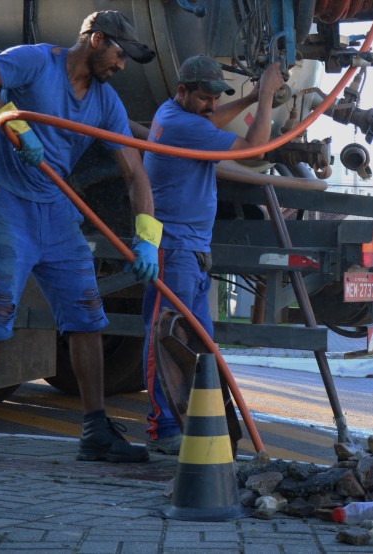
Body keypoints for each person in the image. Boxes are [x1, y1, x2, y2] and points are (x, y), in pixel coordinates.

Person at [0, 11, 162, 463]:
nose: (121, 66)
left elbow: (135, 172)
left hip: (56, 210)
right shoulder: (37, 62)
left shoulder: (105, 102)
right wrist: (10, 122)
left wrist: (146, 238)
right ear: (96, 40)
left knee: (87, 314)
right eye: (119, 54)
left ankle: (96, 430)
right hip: (5, 198)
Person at [141, 55, 284, 454]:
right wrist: (267, 96)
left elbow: (210, 121)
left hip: (194, 249)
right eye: (204, 98)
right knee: (165, 337)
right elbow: (257, 149)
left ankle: (198, 424)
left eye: (214, 98)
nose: (210, 106)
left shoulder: (178, 115)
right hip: (174, 248)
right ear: (183, 91)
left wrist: (251, 96)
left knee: (199, 345)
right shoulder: (180, 125)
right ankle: (162, 428)